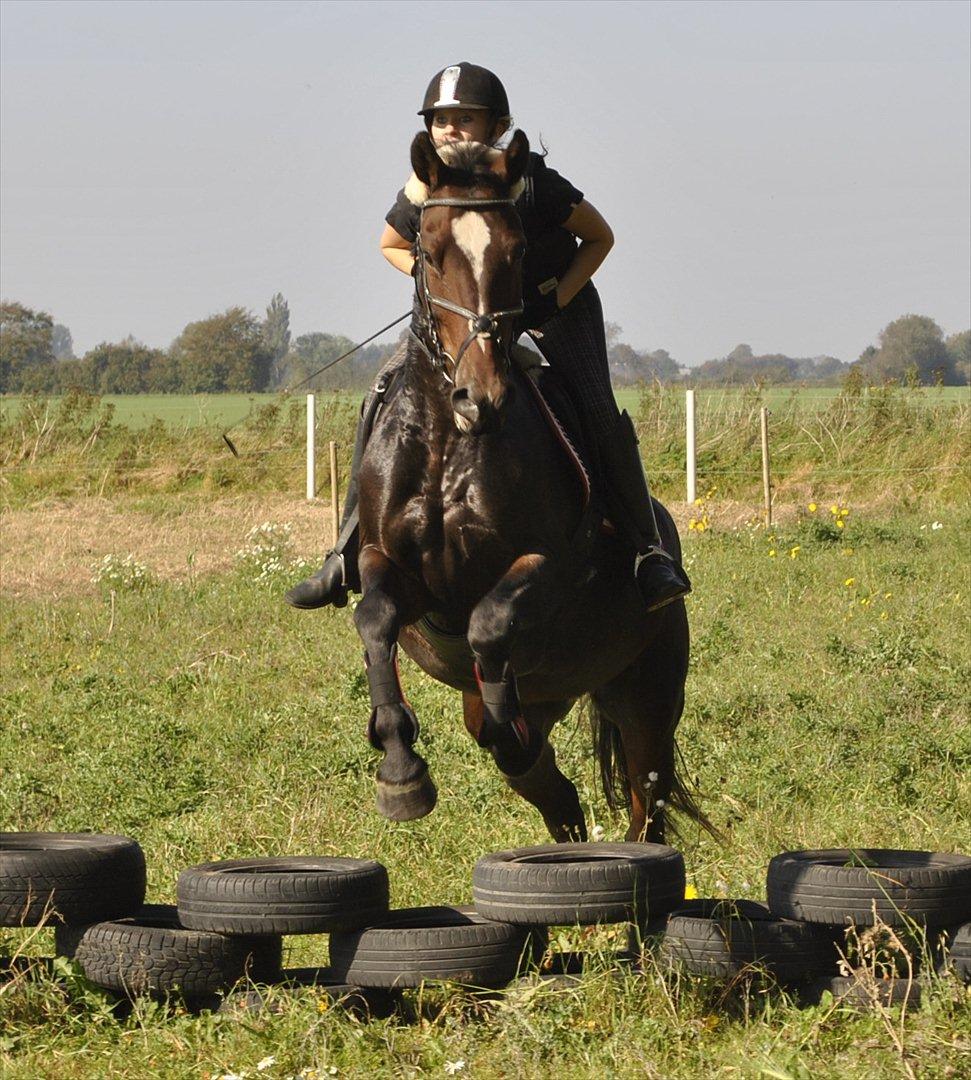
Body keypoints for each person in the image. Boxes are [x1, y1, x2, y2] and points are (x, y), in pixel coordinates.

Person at [286, 61, 690, 612]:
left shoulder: (532, 181)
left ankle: (648, 553)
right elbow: (389, 245)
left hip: (554, 310)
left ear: (495, 125)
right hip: (460, 321)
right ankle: (343, 551)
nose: (450, 129)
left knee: (595, 407)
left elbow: (600, 237)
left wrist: (553, 297)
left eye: (464, 118)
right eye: (440, 119)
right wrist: (442, 293)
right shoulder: (424, 186)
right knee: (380, 394)